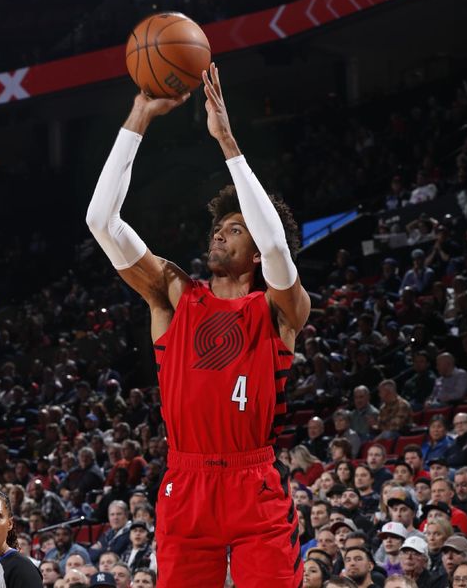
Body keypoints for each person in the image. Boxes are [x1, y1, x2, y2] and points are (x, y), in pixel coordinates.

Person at [86, 63, 308, 587]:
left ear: (253, 251)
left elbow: (276, 245)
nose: (219, 235)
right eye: (217, 227)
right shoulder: (175, 294)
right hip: (185, 481)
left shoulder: (281, 311)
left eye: (235, 229)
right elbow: (102, 221)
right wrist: (138, 117)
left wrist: (228, 143)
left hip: (254, 483)